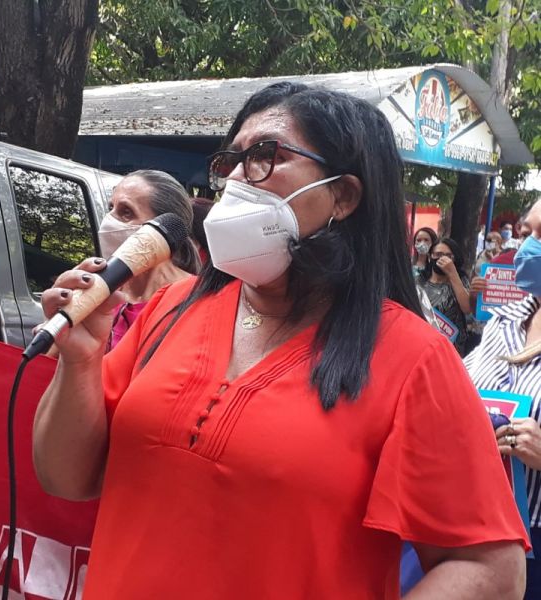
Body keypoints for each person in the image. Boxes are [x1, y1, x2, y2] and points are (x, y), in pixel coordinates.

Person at [33, 83, 527, 599]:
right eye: (232, 160)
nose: (236, 179)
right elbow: (66, 477)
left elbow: (492, 569)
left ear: (344, 196)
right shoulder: (170, 310)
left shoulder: (413, 357)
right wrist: (80, 360)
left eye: (265, 156)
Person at [464, 199, 541, 599]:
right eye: (527, 233)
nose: (529, 247)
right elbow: (456, 392)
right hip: (476, 523)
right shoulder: (502, 321)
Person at [97, 170, 201, 350]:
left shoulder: (195, 300)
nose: (108, 221)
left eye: (126, 212)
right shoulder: (101, 290)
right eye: (110, 208)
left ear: (165, 229)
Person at [419, 237, 472, 355]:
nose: (443, 258)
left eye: (448, 256)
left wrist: (453, 273)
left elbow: (467, 308)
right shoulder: (420, 282)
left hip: (452, 348)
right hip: (425, 344)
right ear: (430, 257)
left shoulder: (461, 280)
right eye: (438, 254)